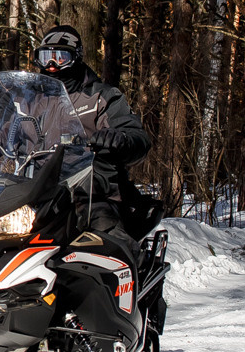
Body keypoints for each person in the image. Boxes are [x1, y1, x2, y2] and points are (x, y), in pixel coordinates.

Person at [34, 25, 160, 239]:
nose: (52, 65)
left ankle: (122, 265)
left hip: (91, 191)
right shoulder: (29, 101)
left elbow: (137, 137)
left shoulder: (101, 97)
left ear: (76, 57)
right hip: (35, 191)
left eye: (60, 57)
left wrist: (120, 139)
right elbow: (3, 132)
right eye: (46, 57)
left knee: (104, 232)